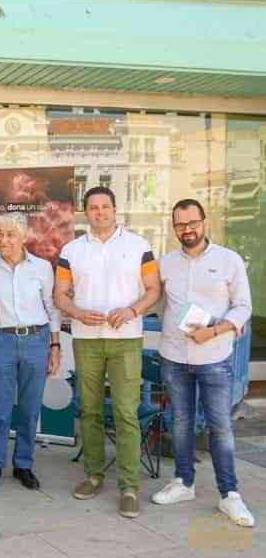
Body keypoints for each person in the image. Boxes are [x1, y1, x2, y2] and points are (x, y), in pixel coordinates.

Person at [54, 186, 161, 519]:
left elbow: (154, 289)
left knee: (127, 413)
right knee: (90, 410)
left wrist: (132, 311)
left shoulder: (138, 245)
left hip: (126, 338)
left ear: (115, 210)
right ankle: (94, 475)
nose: (99, 212)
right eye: (93, 207)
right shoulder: (71, 250)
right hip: (86, 340)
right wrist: (76, 312)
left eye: (105, 206)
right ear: (86, 213)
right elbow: (59, 295)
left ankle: (129, 487)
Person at [151, 199, 254, 527]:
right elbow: (157, 303)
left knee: (220, 427)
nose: (187, 229)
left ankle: (230, 495)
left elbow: (243, 307)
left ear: (204, 222)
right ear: (174, 228)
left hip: (214, 357)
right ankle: (184, 483)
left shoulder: (229, 260)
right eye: (180, 225)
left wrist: (213, 331)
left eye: (192, 222)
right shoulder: (165, 263)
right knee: (180, 423)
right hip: (174, 356)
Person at [0, 212, 61, 491]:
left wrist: (55, 345)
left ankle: (24, 464)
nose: (4, 240)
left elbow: (51, 308)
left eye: (10, 234)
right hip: (0, 340)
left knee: (29, 408)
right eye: (0, 233)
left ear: (24, 237)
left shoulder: (41, 267)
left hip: (35, 340)